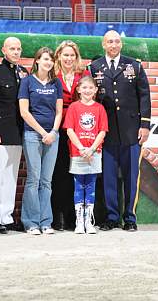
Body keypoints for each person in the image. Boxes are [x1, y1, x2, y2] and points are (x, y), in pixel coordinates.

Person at [89, 30, 151, 231]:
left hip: (131, 131)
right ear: (103, 44)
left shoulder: (134, 65)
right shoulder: (94, 67)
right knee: (108, 178)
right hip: (106, 132)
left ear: (121, 44)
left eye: (116, 41)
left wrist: (145, 125)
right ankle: (112, 217)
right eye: (109, 42)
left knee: (131, 177)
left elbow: (144, 96)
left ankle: (130, 219)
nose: (113, 45)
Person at [0, 37, 28, 234]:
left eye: (19, 49)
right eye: (12, 49)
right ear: (3, 50)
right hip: (0, 132)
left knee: (10, 177)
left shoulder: (23, 73)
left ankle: (6, 216)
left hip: (16, 131)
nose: (16, 52)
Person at [18, 47, 63, 235]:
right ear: (37, 61)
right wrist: (42, 132)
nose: (48, 62)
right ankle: (31, 222)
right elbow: (24, 112)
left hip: (52, 136)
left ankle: (46, 222)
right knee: (33, 179)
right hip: (32, 135)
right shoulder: (27, 82)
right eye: (45, 59)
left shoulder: (56, 83)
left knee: (46, 181)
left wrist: (53, 132)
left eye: (51, 59)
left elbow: (59, 111)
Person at [51, 40, 88, 231]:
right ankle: (57, 217)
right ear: (59, 56)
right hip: (57, 128)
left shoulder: (84, 74)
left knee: (75, 174)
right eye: (65, 55)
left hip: (78, 131)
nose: (69, 58)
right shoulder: (52, 74)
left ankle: (74, 217)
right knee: (58, 173)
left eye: (72, 55)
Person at [64, 76, 108, 234]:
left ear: (95, 90)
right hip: (77, 153)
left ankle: (88, 221)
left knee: (90, 186)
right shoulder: (73, 108)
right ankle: (79, 221)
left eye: (91, 88)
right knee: (78, 186)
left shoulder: (99, 108)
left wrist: (91, 149)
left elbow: (102, 131)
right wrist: (82, 148)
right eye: (84, 87)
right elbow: (69, 130)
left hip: (94, 153)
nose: (87, 90)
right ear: (78, 89)